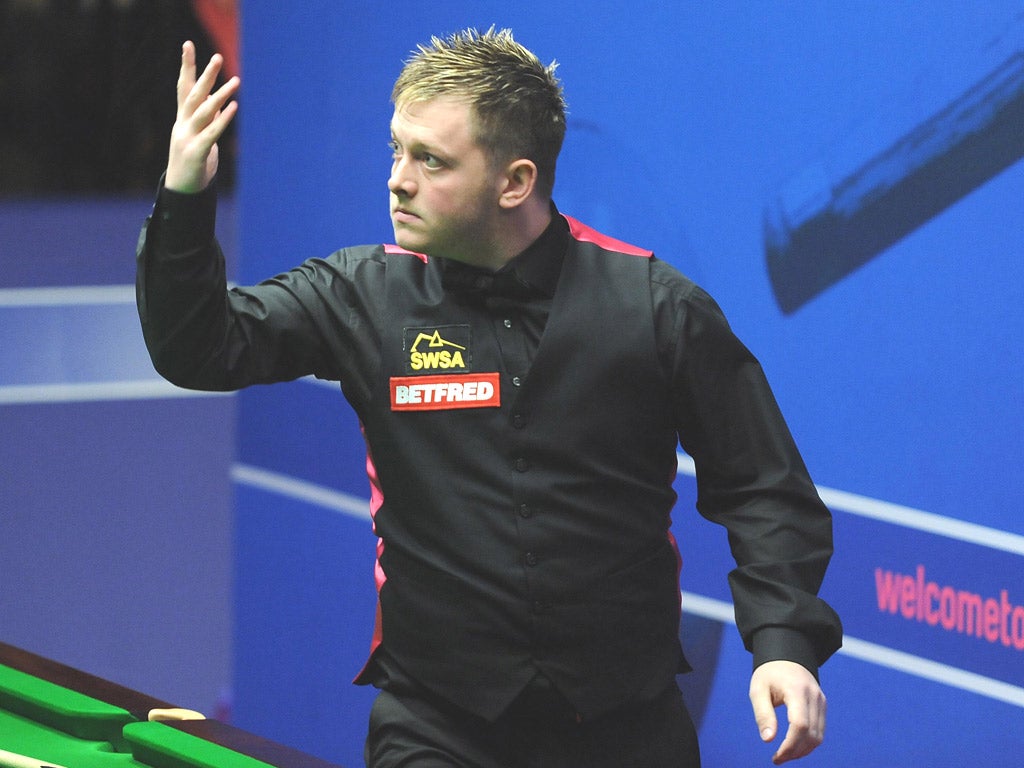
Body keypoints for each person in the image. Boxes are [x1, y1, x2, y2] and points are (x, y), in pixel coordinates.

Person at [136, 28, 842, 768]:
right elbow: (199, 348)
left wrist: (784, 646)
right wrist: (184, 194)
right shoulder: (362, 297)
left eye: (430, 160)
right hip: (438, 725)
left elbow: (764, 488)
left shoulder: (656, 307)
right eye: (396, 149)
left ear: (516, 182)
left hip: (625, 727)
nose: (397, 179)